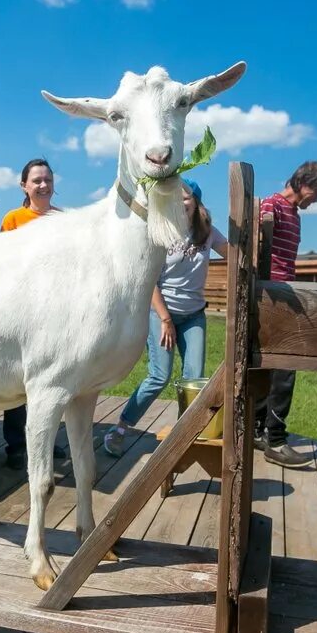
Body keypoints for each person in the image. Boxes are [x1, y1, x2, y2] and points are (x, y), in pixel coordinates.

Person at [103, 178, 228, 456]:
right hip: (162, 313)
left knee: (194, 377)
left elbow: (233, 253)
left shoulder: (207, 232)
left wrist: (252, 240)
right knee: (159, 376)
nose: (179, 202)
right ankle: (121, 428)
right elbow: (149, 282)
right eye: (174, 198)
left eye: (184, 197)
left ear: (196, 201)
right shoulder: (161, 232)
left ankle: (187, 434)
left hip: (194, 315)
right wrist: (165, 320)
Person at [254, 161, 317, 468]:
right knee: (285, 367)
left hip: (286, 296)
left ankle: (260, 430)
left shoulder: (295, 216)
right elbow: (256, 252)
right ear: (303, 182)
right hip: (269, 297)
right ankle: (275, 441)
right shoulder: (270, 206)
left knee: (271, 366)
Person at [0, 158, 68, 470]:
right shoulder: (13, 219)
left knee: (52, 382)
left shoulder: (63, 221)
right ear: (24, 185)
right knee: (19, 381)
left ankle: (48, 442)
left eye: (47, 180)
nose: (43, 185)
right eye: (37, 180)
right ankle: (16, 446)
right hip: (20, 312)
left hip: (54, 314)